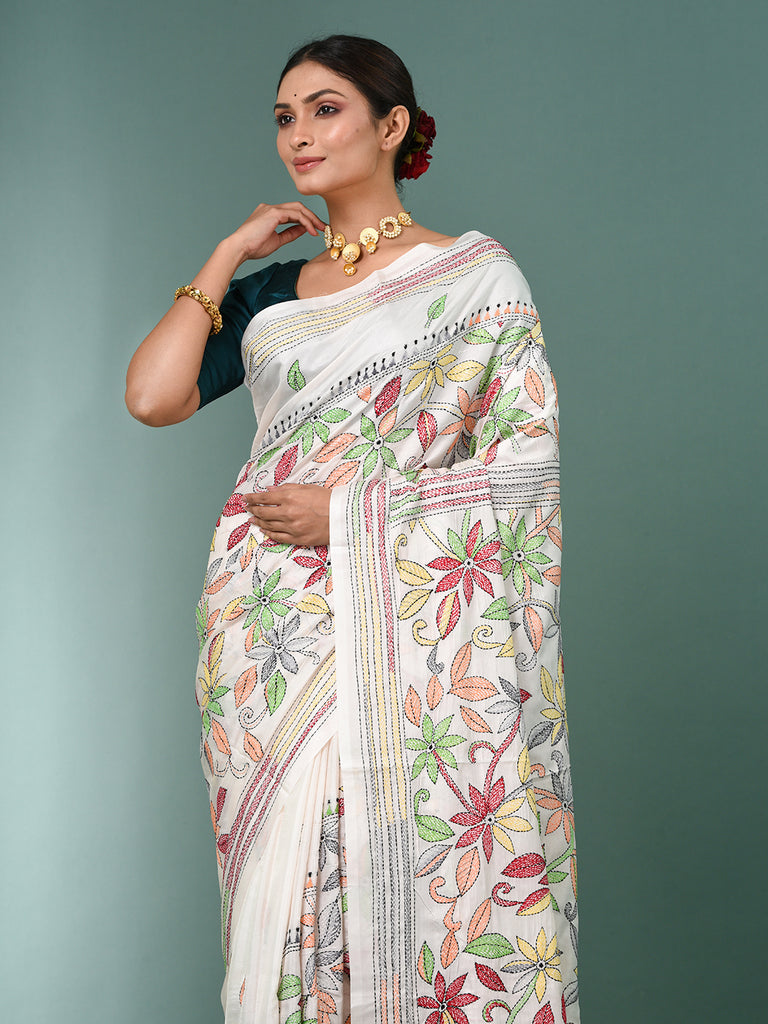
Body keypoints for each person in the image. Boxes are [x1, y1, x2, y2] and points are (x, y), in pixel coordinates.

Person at [126, 34, 579, 1024]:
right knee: (283, 889)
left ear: (392, 126)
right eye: (284, 117)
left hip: (405, 629)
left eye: (325, 109)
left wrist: (352, 515)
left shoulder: (475, 279)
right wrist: (227, 255)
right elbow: (154, 397)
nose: (299, 133)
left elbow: (524, 473)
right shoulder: (270, 296)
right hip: (266, 635)